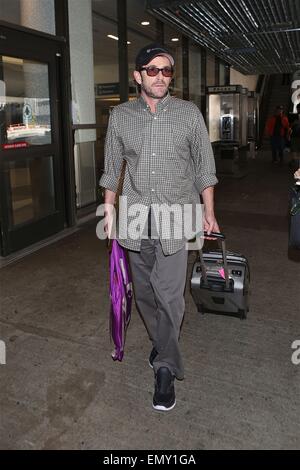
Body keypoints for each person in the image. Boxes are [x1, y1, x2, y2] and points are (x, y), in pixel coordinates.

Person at [100, 43, 219, 412]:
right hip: (134, 218)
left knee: (169, 295)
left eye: (166, 71)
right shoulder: (120, 116)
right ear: (138, 76)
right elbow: (111, 168)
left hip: (178, 216)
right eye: (152, 70)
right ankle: (162, 340)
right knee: (147, 295)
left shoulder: (188, 114)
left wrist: (209, 212)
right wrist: (108, 210)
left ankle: (165, 368)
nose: (161, 77)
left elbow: (204, 168)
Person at [289, 103, 300, 171]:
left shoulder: (294, 116)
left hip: (295, 136)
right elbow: (290, 126)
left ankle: (295, 162)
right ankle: (295, 162)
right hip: (295, 136)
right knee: (294, 149)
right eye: (298, 108)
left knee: (295, 149)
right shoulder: (293, 116)